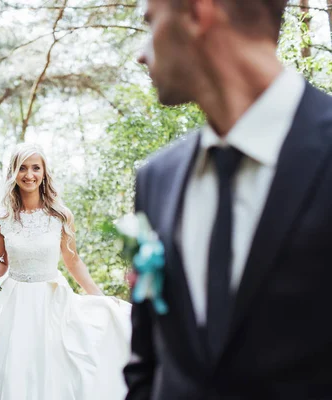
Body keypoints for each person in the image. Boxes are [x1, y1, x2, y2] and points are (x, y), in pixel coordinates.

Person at [124, 0, 332, 399]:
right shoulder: (156, 178)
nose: (140, 53)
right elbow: (147, 363)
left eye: (151, 23)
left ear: (198, 13)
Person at [0, 143, 131, 400]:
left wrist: (99, 296)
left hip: (52, 299)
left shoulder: (61, 216)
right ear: (13, 173)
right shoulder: (0, 218)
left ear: (44, 172)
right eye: (23, 168)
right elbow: (3, 261)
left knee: (58, 366)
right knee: (13, 367)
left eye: (35, 168)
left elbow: (73, 262)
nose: (29, 174)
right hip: (13, 301)